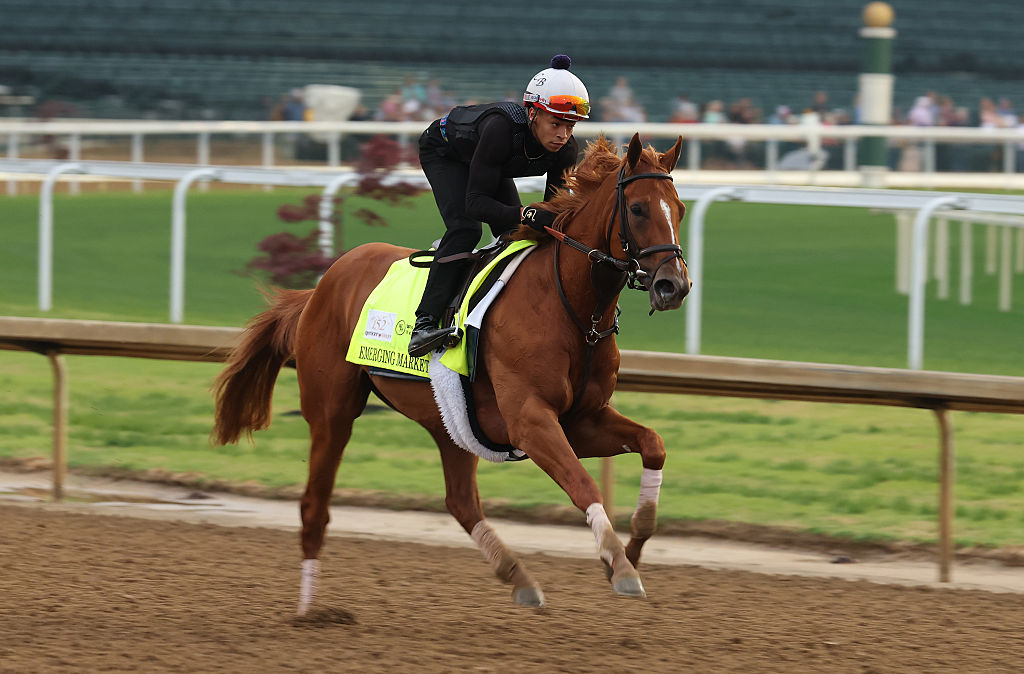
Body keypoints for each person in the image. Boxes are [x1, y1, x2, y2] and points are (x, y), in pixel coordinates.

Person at [407, 54, 588, 357]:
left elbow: (553, 211)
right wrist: (524, 213)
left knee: (516, 233)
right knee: (466, 228)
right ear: (533, 114)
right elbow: (475, 203)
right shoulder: (500, 130)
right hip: (446, 153)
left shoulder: (566, 150)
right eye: (556, 123)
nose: (563, 135)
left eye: (570, 126)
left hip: (490, 161)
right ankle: (423, 324)